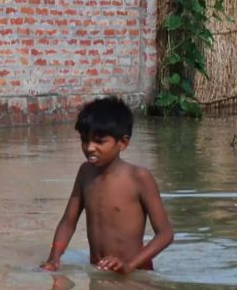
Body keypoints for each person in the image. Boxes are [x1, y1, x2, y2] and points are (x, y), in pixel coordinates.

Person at [41, 97, 173, 274]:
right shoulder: (85, 173)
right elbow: (68, 222)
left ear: (123, 143)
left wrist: (130, 265)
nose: (90, 148)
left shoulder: (139, 178)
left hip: (134, 271)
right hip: (97, 268)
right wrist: (54, 256)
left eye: (99, 141)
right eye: (85, 140)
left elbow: (165, 234)